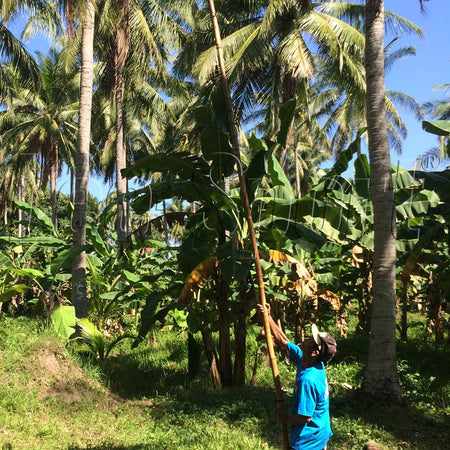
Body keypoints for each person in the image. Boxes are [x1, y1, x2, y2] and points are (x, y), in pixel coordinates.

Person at [257, 303, 336, 450]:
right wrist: (268, 317)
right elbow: (283, 341)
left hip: (309, 441)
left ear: (314, 352)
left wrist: (285, 417)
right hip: (320, 433)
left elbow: (304, 417)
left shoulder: (308, 380)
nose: (306, 339)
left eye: (310, 340)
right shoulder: (310, 361)